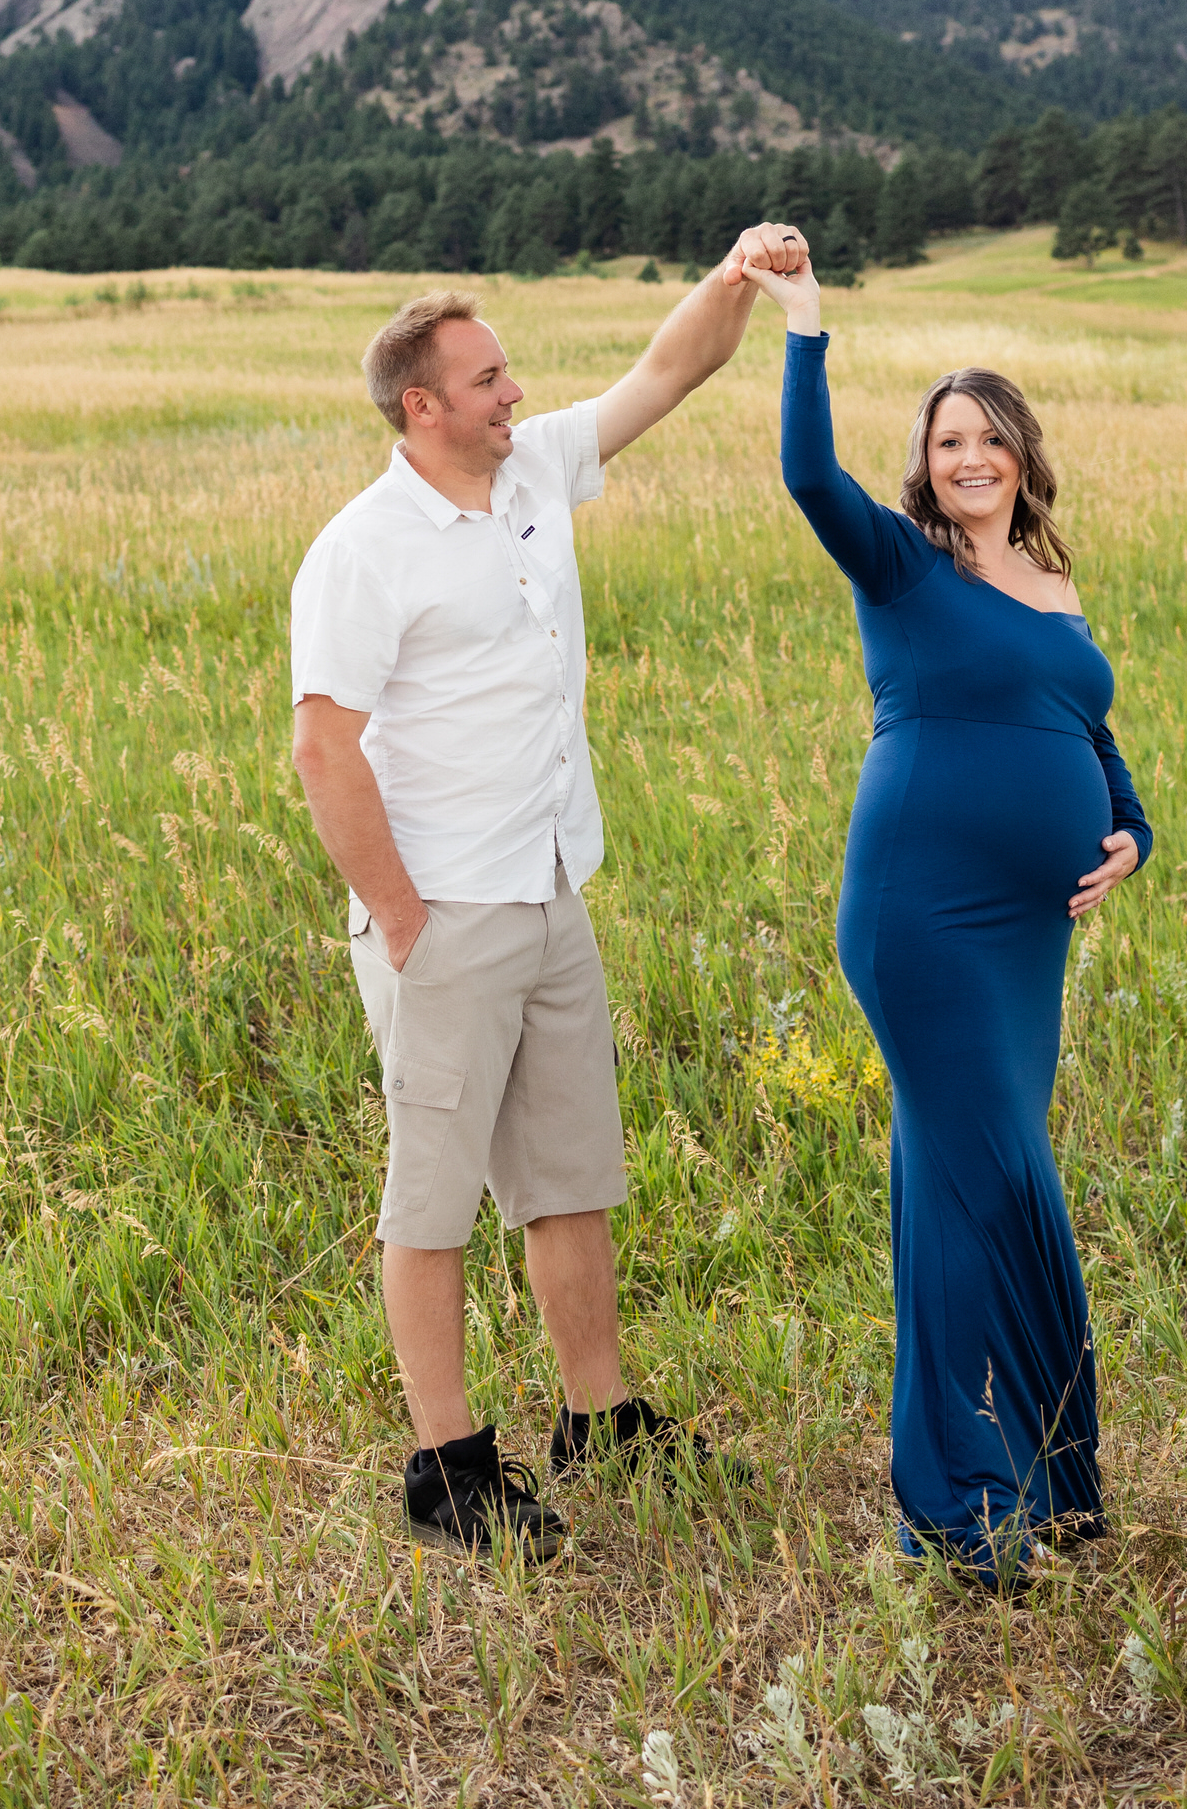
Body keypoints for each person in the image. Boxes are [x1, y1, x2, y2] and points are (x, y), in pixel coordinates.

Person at [290, 231, 806, 1557]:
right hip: (445, 917)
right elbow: (324, 748)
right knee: (435, 1198)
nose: (515, 392)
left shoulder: (533, 477)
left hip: (549, 889)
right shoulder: (364, 550)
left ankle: (601, 1417)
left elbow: (667, 371)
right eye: (489, 377)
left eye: (509, 372)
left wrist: (740, 275)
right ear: (423, 405)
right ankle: (448, 1470)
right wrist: (403, 921)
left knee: (569, 1179)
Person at [741, 244, 1153, 1581]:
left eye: (987, 435)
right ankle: (955, 1501)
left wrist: (1133, 831)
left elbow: (1088, 734)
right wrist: (804, 322)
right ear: (926, 465)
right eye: (945, 439)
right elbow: (809, 474)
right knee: (983, 1183)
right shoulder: (906, 572)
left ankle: (1045, 1467)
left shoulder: (1055, 591)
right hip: (922, 915)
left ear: (1022, 456)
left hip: (1028, 943)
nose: (968, 455)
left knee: (975, 1181)